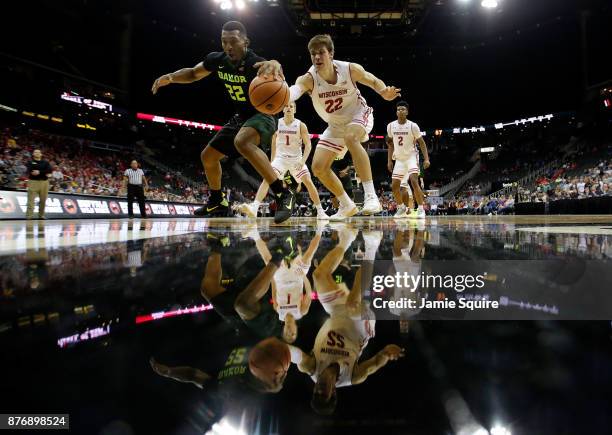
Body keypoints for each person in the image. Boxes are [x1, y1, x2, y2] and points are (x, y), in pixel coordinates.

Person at [151, 20, 295, 223]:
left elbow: (276, 76)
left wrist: (276, 64)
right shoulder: (217, 60)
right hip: (241, 117)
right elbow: (193, 73)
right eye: (224, 41)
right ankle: (217, 200)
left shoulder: (257, 63)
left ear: (245, 42)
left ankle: (283, 194)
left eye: (233, 41)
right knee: (208, 157)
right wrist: (171, 77)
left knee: (242, 142)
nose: (228, 46)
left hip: (263, 114)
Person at [288, 226, 404, 414]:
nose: (318, 390)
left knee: (319, 275)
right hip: (361, 327)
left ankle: (347, 239)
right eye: (322, 395)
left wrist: (278, 351)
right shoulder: (352, 377)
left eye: (314, 394)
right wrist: (386, 354)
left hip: (337, 313)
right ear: (333, 393)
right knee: (353, 303)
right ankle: (372, 245)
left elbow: (292, 355)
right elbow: (374, 364)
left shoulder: (310, 368)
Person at [286, 34, 401, 220]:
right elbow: (294, 90)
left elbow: (371, 80)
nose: (316, 57)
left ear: (331, 54)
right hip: (335, 124)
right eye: (313, 54)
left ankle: (371, 196)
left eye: (321, 53)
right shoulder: (309, 79)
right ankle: (347, 205)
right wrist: (282, 96)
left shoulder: (349, 69)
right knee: (318, 168)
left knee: (351, 137)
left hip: (359, 114)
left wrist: (383, 91)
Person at [237, 102, 328, 220]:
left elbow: (308, 145)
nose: (289, 108)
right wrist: (272, 161)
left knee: (308, 181)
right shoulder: (277, 123)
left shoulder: (301, 125)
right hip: (280, 159)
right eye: (286, 106)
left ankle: (320, 211)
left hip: (296, 160)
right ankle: (254, 208)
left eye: (291, 106)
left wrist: (302, 161)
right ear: (283, 109)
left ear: (295, 110)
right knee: (267, 178)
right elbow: (273, 142)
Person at [386, 101, 430, 219]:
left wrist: (426, 159)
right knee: (394, 186)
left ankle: (421, 209)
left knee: (414, 181)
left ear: (407, 112)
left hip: (411, 157)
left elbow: (422, 142)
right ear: (396, 112)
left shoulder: (413, 126)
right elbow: (390, 144)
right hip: (399, 159)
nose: (400, 111)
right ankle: (401, 208)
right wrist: (389, 160)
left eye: (403, 109)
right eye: (398, 109)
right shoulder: (390, 126)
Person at [25, 149, 52, 220]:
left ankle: (41, 215)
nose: (37, 153)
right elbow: (30, 170)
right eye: (35, 152)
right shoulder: (30, 162)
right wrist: (44, 172)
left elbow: (49, 170)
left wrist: (39, 171)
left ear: (41, 154)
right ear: (33, 154)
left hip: (44, 182)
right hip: (33, 182)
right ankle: (29, 216)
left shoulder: (46, 162)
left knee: (43, 200)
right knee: (31, 200)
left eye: (38, 152)